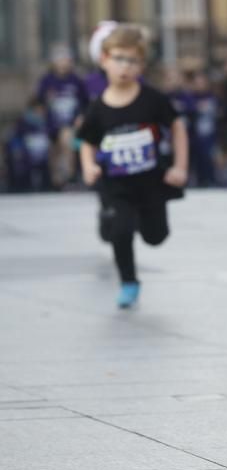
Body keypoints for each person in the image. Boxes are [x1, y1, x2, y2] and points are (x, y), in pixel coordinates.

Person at [77, 24, 188, 308]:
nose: (125, 67)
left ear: (142, 64)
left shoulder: (152, 99)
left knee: (155, 237)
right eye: (118, 59)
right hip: (117, 185)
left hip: (151, 181)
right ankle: (128, 281)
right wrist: (89, 166)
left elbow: (176, 127)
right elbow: (87, 141)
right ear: (104, 60)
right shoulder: (98, 108)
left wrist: (179, 166)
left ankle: (132, 220)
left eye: (133, 60)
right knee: (120, 231)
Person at [35, 44, 88, 189]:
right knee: (54, 151)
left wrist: (81, 117)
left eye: (66, 59)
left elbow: (84, 102)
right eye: (60, 59)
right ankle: (56, 180)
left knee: (67, 142)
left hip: (70, 123)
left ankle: (69, 177)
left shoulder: (76, 80)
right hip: (51, 123)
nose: (64, 62)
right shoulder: (47, 81)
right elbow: (39, 102)